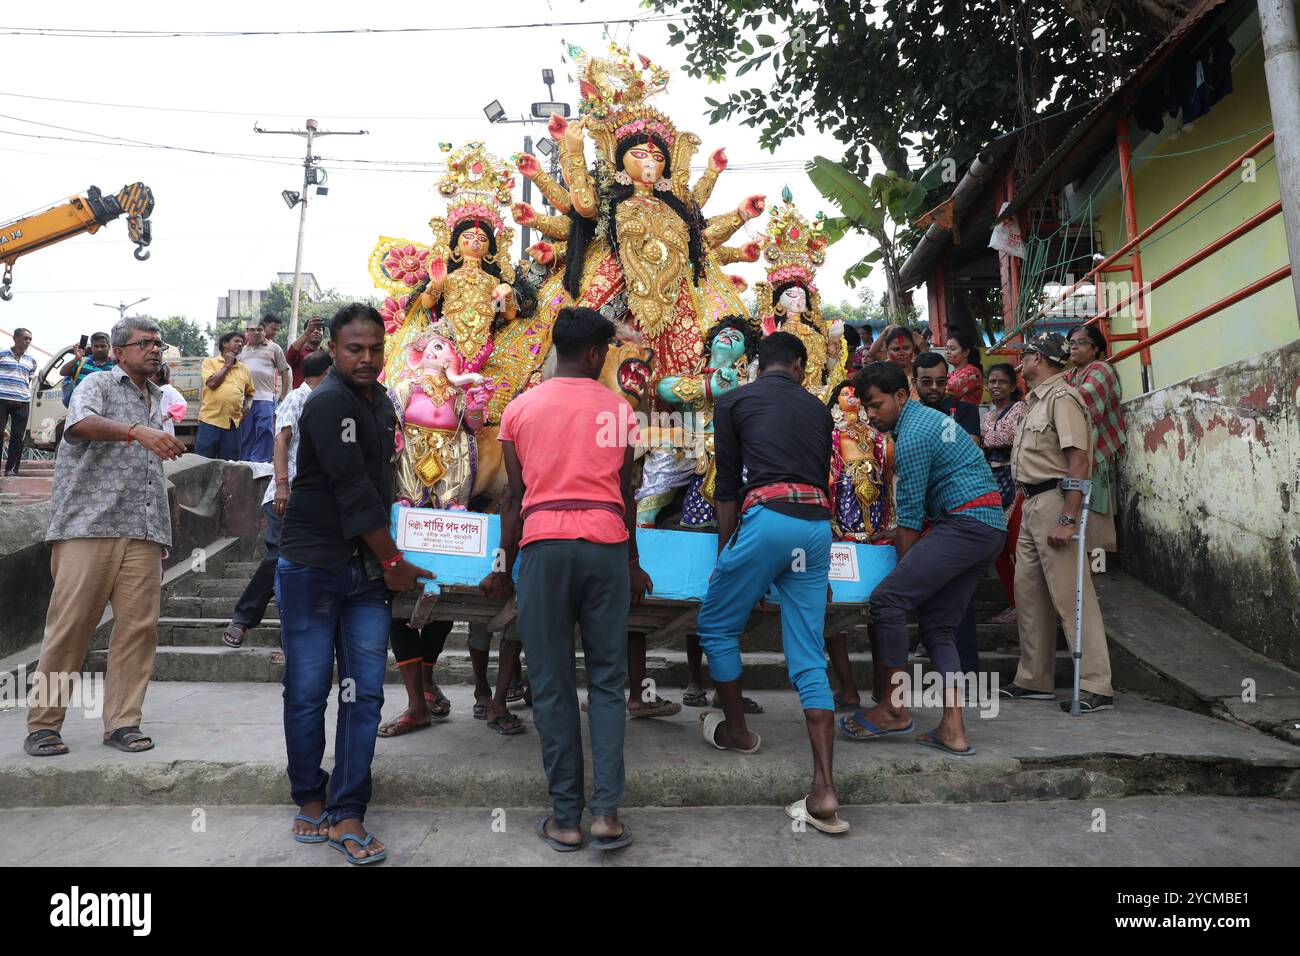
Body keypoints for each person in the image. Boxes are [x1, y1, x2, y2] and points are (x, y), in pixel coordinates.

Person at [480, 306, 647, 853]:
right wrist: (631, 561)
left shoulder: (520, 408)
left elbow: (513, 496)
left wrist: (503, 564)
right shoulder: (619, 409)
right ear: (597, 353)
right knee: (606, 681)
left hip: (544, 548)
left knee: (551, 684)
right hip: (605, 546)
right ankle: (607, 816)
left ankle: (566, 819)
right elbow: (627, 494)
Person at [275, 303, 430, 863]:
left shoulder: (381, 402)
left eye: (375, 349)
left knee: (364, 694)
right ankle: (308, 797)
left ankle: (348, 810)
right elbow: (351, 489)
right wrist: (394, 561)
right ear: (334, 351)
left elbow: (380, 484)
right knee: (309, 689)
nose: (367, 358)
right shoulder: (329, 401)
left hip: (364, 571)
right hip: (314, 566)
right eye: (354, 349)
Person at [694, 330, 849, 835]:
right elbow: (821, 477)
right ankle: (824, 789)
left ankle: (738, 732)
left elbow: (727, 487)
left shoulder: (734, 400)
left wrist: (728, 559)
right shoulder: (819, 410)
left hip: (765, 520)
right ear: (801, 366)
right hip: (815, 525)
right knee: (807, 652)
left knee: (716, 626)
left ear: (757, 364)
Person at [23, 317, 186, 758]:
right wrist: (136, 431)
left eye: (158, 343)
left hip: (143, 531)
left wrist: (164, 528)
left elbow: (152, 467)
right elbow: (79, 427)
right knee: (70, 628)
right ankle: (43, 724)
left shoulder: (158, 398)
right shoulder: (96, 385)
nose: (155, 349)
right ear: (119, 351)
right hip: (88, 526)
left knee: (138, 630)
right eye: (145, 343)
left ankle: (123, 723)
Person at [840, 361, 1005, 756]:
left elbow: (910, 518)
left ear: (900, 396)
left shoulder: (913, 435)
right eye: (865, 406)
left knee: (889, 599)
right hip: (987, 528)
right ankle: (952, 729)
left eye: (877, 404)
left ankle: (895, 707)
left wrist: (904, 576)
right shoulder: (926, 422)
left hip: (964, 525)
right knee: (938, 627)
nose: (870, 414)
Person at [1000, 331, 1114, 713]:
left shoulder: (1062, 399)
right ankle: (1034, 679)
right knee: (1029, 594)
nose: (1021, 360)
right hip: (1031, 501)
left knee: (1071, 595)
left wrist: (1068, 518)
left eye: (1026, 353)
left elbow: (1077, 461)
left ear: (1041, 357)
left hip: (1054, 500)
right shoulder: (1035, 401)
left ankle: (1096, 685)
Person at [222, 348, 333, 653]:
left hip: (314, 498)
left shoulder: (328, 402)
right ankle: (243, 618)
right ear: (325, 373)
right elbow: (281, 440)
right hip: (287, 494)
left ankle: (290, 630)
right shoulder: (298, 398)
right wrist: (283, 484)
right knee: (280, 556)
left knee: (297, 561)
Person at [913, 350, 983, 675]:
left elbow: (968, 450)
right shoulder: (907, 415)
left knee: (959, 597)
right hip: (919, 514)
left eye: (941, 381)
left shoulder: (964, 410)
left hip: (958, 512)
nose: (934, 388)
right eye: (926, 382)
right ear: (914, 382)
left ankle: (966, 669)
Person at [1066, 323, 1126, 556]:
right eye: (1071, 343)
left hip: (1096, 449)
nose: (1074, 347)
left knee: (1095, 504)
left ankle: (1097, 556)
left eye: (1081, 343)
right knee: (1077, 501)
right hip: (1076, 450)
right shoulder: (1071, 374)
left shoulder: (1102, 368)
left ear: (1096, 348)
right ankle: (1082, 556)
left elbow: (1084, 397)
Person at [982, 363, 1027, 625]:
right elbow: (991, 437)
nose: (996, 386)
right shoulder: (989, 413)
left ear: (1012, 386)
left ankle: (1024, 605)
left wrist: (986, 438)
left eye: (1001, 381)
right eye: (992, 381)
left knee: (1015, 546)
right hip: (993, 483)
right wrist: (989, 437)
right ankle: (1013, 602)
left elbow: (1008, 436)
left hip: (1016, 483)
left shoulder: (1020, 409)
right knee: (998, 547)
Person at [237, 317, 290, 462]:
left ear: (264, 331)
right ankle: (246, 463)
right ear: (247, 332)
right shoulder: (242, 350)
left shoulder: (274, 348)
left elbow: (285, 371)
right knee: (246, 432)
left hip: (266, 398)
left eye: (259, 330)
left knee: (265, 430)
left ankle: (262, 462)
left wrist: (283, 396)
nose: (256, 333)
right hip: (246, 400)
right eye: (252, 330)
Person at [197, 332, 253, 460]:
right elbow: (212, 383)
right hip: (210, 421)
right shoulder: (210, 362)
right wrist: (227, 365)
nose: (240, 344)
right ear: (224, 343)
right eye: (236, 341)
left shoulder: (244, 369)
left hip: (233, 424)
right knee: (203, 463)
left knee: (230, 466)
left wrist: (248, 406)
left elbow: (250, 393)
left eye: (241, 343)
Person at [0, 327, 37, 475]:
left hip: (22, 401)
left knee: (18, 435)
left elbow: (27, 380)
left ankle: (11, 470)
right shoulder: (2, 354)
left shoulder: (32, 361)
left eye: (29, 339)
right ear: (15, 338)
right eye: (25, 338)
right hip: (2, 399)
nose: (27, 341)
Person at [59, 332, 115, 405]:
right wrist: (77, 358)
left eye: (103, 346)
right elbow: (63, 372)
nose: (99, 349)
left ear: (109, 347)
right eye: (96, 346)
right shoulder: (82, 362)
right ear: (91, 347)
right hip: (77, 408)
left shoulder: (114, 367)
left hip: (101, 411)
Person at [945, 330, 984, 405]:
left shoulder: (972, 372)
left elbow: (947, 389)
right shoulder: (950, 374)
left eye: (952, 349)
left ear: (966, 352)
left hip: (965, 416)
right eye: (947, 348)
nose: (948, 352)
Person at [286, 315, 326, 388]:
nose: (316, 332)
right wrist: (307, 331)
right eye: (312, 330)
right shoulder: (299, 352)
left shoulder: (326, 356)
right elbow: (289, 357)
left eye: (319, 329)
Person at [153, 364, 188, 438]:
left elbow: (181, 404)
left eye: (150, 375)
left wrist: (167, 415)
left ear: (159, 376)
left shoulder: (168, 389)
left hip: (164, 429)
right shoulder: (152, 388)